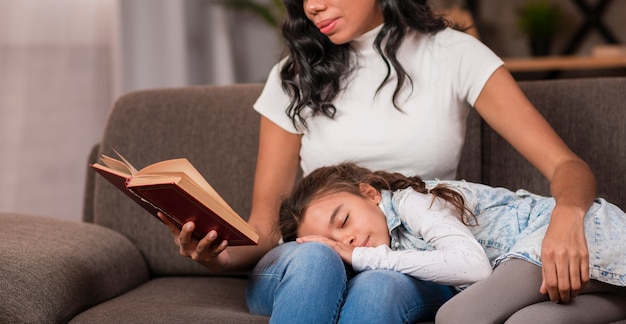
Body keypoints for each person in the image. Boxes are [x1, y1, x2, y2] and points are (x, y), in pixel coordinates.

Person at [158, 0, 599, 322]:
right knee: (318, 260)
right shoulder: (293, 76)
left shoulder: (454, 55)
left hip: (408, 258)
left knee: (379, 285)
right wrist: (217, 257)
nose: (313, 7)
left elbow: (566, 166)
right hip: (306, 262)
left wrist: (568, 215)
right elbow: (266, 228)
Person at [278, 163, 626, 323]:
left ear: (369, 194)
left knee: (458, 317)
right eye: (333, 242)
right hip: (561, 270)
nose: (347, 240)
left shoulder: (412, 201)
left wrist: (369, 258)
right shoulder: (390, 242)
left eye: (343, 221)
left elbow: (473, 267)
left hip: (569, 232)